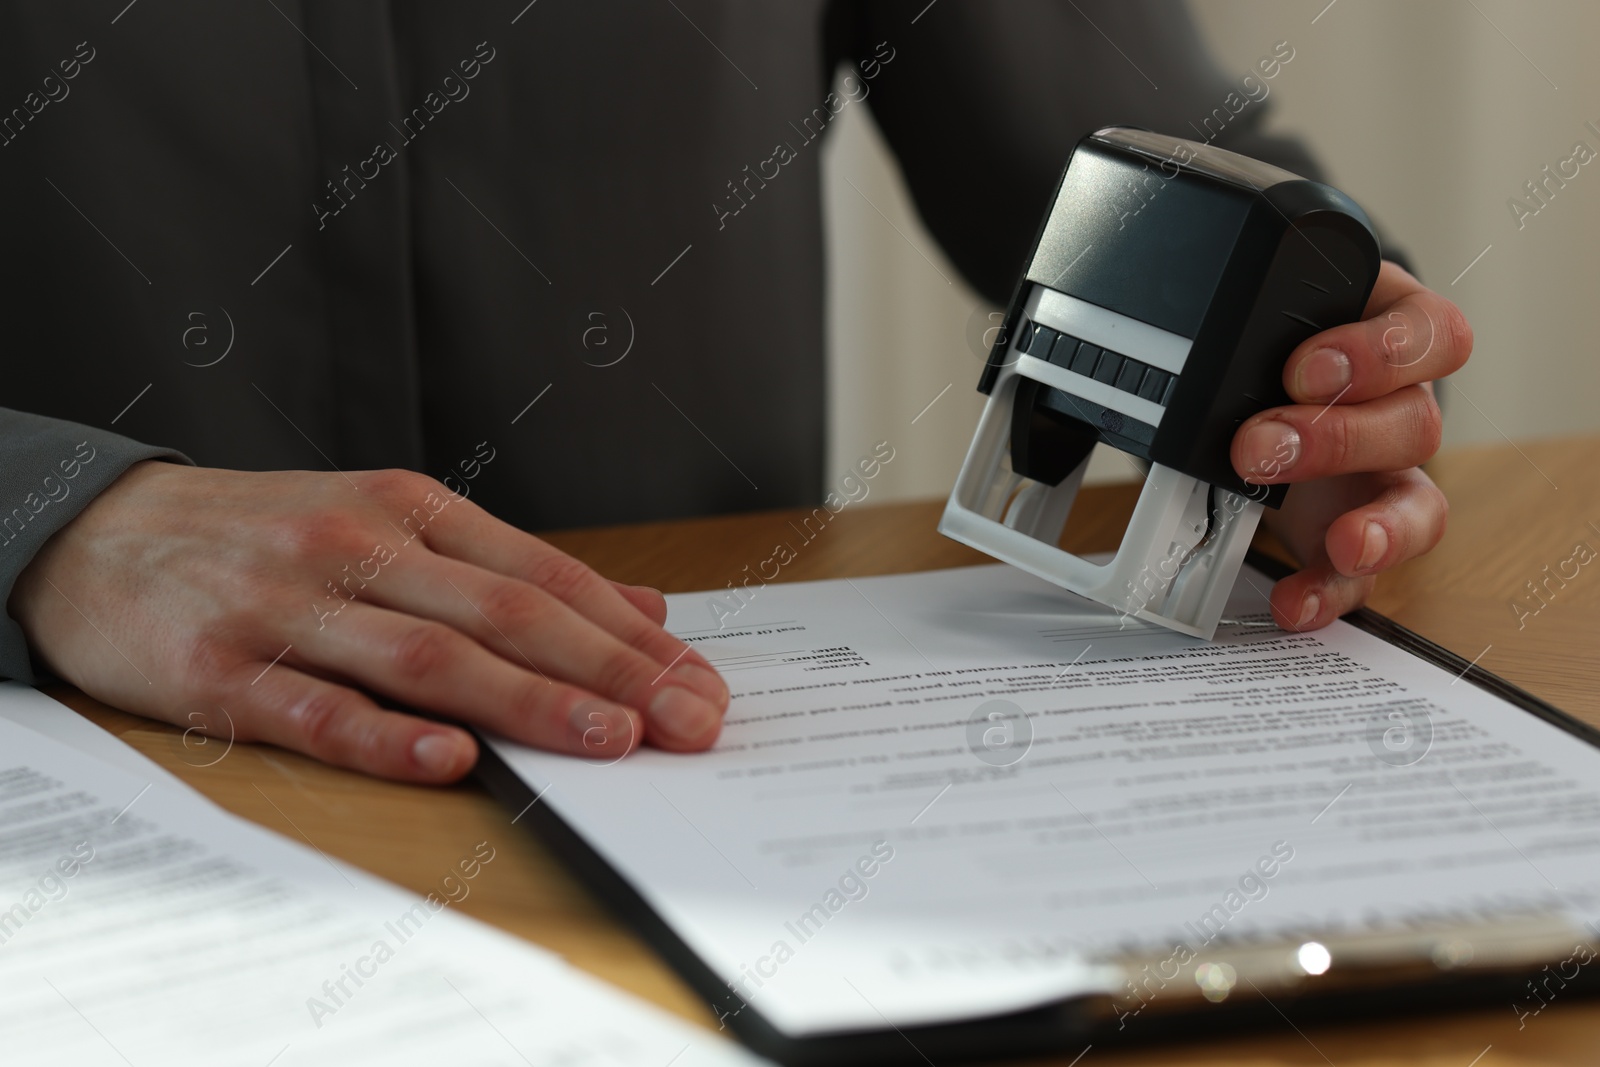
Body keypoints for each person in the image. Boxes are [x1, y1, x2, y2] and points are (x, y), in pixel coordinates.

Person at [0, 1, 1468, 783]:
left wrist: (1320, 373)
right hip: (106, 762)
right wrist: (56, 521)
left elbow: (1153, 165)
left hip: (735, 751)